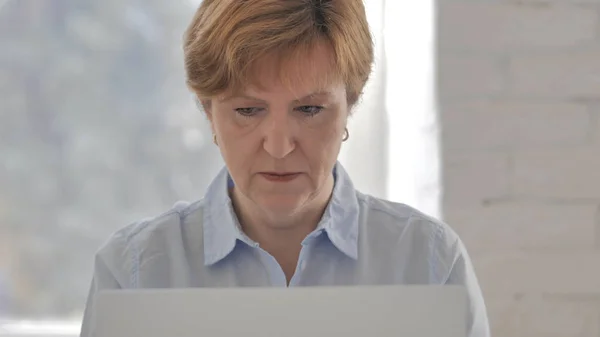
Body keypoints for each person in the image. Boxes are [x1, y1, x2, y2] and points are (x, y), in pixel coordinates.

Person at [80, 0, 490, 336]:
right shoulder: (132, 272)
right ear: (209, 114)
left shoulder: (429, 262)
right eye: (247, 110)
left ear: (350, 105)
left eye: (309, 109)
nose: (278, 146)